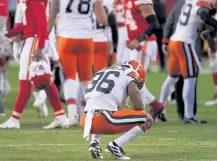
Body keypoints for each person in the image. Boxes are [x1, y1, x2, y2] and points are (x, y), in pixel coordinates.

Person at [0, 0, 70, 129]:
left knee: (25, 79)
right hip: (33, 38)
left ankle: (15, 119)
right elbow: (27, 25)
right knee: (46, 81)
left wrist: (40, 47)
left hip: (34, 40)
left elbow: (42, 23)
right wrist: (7, 35)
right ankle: (60, 116)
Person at [49, 0, 108, 125]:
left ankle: (72, 115)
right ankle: (89, 114)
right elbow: (103, 20)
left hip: (66, 37)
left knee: (70, 77)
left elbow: (52, 14)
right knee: (85, 79)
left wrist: (44, 36)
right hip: (86, 39)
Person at [80, 60, 153, 160]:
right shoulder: (131, 74)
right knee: (147, 119)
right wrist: (139, 114)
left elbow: (99, 99)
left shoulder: (105, 70)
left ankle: (94, 143)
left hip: (85, 120)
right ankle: (115, 145)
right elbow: (139, 107)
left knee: (104, 107)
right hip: (104, 119)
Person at [159, 0, 217, 124]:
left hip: (175, 41)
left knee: (172, 77)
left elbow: (197, 21)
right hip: (185, 43)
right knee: (190, 78)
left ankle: (160, 109)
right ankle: (189, 115)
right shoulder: (203, 3)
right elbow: (204, 14)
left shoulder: (189, 2)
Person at [124, 0, 164, 119]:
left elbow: (154, 24)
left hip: (143, 43)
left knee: (136, 79)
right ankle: (155, 105)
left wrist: (138, 39)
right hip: (136, 45)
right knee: (132, 78)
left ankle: (141, 114)